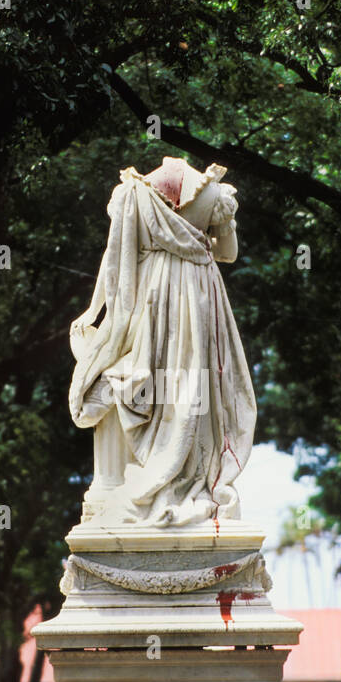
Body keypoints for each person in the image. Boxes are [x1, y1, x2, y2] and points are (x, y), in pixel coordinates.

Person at [68, 157, 255, 526]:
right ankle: (193, 471)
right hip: (199, 292)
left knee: (153, 372)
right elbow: (228, 253)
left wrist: (95, 311)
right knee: (194, 382)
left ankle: (159, 459)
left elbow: (114, 259)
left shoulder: (132, 193)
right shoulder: (215, 193)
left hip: (150, 296)